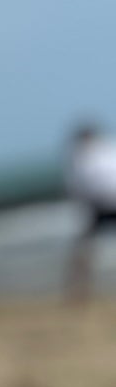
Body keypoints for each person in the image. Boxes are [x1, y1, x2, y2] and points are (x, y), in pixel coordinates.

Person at [64, 121, 116, 301]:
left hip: (101, 205)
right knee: (83, 249)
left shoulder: (81, 155)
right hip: (105, 203)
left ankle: (79, 292)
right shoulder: (108, 147)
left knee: (83, 248)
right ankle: (79, 291)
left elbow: (78, 189)